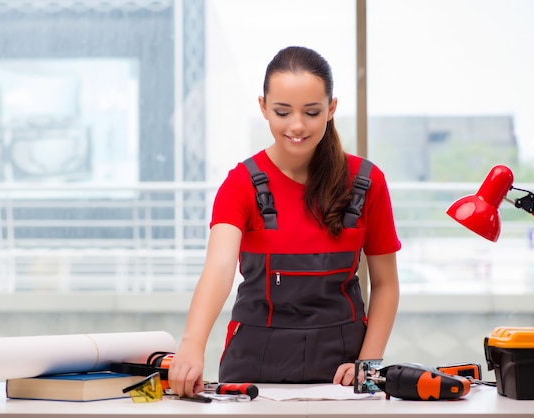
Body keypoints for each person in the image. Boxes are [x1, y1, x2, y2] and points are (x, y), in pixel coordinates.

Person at [168, 46, 401, 397]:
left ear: (331, 108)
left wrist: (367, 368)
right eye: (282, 111)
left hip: (341, 370)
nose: (296, 126)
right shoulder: (241, 183)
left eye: (311, 112)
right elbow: (218, 269)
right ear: (263, 107)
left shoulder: (367, 182)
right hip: (254, 368)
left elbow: (385, 285)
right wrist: (191, 344)